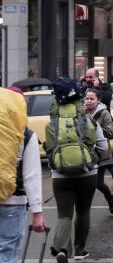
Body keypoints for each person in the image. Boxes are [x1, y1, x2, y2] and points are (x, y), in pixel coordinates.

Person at [45, 77, 107, 262]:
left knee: (64, 215)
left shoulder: (52, 125)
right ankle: (80, 251)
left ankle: (62, 249)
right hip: (87, 173)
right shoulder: (88, 121)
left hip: (61, 175)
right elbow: (103, 147)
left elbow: (49, 150)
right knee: (83, 211)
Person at [0, 89, 45, 262]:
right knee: (7, 252)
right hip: (13, 202)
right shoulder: (26, 134)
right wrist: (37, 212)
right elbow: (31, 175)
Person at [83, 89, 113, 214]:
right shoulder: (82, 113)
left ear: (99, 100)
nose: (88, 101)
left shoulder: (104, 113)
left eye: (91, 99)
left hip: (101, 154)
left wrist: (95, 131)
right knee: (86, 183)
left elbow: (109, 132)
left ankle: (111, 199)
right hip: (86, 154)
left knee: (98, 183)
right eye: (87, 98)